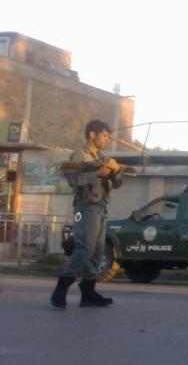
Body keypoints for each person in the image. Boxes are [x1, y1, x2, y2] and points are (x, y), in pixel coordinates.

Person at [50, 119, 123, 309]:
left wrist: (115, 171)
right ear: (92, 134)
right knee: (85, 248)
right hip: (85, 207)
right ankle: (62, 287)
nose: (107, 139)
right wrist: (97, 173)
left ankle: (88, 292)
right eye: (104, 135)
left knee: (98, 252)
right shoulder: (79, 155)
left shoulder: (103, 157)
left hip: (100, 208)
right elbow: (73, 180)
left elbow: (117, 184)